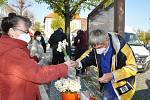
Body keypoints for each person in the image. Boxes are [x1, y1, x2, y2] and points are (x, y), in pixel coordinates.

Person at [0, 13, 76, 100]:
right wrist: (64, 66)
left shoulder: (9, 47)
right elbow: (39, 74)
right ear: (12, 31)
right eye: (25, 31)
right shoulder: (13, 51)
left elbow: (21, 68)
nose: (28, 34)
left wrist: (32, 60)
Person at [75, 29, 137, 100]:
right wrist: (77, 63)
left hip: (122, 87)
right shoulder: (96, 47)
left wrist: (113, 75)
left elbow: (133, 68)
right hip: (106, 87)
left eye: (100, 47)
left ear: (107, 40)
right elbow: (88, 56)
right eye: (95, 48)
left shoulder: (122, 48)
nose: (97, 50)